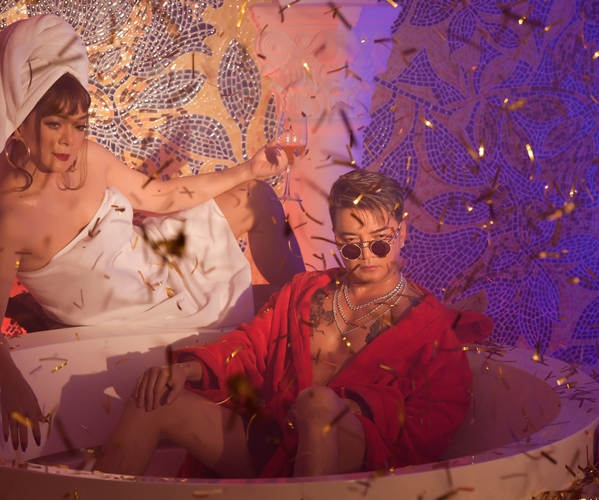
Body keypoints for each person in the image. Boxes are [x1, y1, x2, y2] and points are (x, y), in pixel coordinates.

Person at [0, 15, 304, 453]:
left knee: (254, 196)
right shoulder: (11, 218)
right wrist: (12, 383)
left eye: (79, 125)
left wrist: (250, 169)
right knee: (272, 310)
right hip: (136, 309)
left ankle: (312, 297)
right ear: (20, 120)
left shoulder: (88, 157)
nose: (69, 141)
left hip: (155, 257)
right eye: (54, 124)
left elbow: (161, 197)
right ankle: (307, 323)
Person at [94, 169, 493, 477]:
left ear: (402, 232)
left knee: (317, 402)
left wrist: (362, 407)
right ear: (336, 237)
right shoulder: (306, 291)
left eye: (380, 241)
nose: (367, 256)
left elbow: (436, 420)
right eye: (351, 245)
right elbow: (249, 347)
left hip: (354, 462)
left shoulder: (428, 325)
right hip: (274, 439)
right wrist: (184, 370)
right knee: (153, 395)